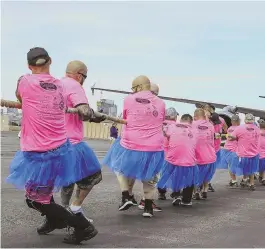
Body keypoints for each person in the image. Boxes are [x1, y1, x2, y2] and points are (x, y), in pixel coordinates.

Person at [6, 47, 97, 244]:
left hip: (40, 153)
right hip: (60, 150)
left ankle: (83, 227)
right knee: (40, 197)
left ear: (29, 65)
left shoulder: (24, 81)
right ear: (50, 61)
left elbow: (20, 97)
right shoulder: (60, 85)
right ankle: (55, 220)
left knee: (35, 200)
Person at [103, 75, 165, 218]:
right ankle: (148, 208)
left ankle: (126, 195)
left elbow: (126, 118)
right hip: (154, 146)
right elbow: (160, 120)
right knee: (149, 177)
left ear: (138, 87)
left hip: (132, 144)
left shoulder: (129, 99)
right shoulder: (161, 103)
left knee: (118, 166)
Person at [58, 60, 105, 226]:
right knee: (94, 176)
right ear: (79, 75)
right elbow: (85, 112)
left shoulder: (57, 84)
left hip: (55, 141)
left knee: (68, 178)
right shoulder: (74, 86)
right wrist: (96, 116)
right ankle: (75, 207)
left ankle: (63, 210)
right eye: (84, 77)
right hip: (72, 142)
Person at [157, 114, 197, 206]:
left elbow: (164, 134)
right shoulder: (194, 130)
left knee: (166, 175)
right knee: (189, 178)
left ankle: (172, 194)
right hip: (188, 159)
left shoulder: (172, 126)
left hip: (172, 157)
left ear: (181, 120)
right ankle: (186, 200)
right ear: (191, 122)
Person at [227, 113, 260, 190]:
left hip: (242, 153)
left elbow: (231, 138)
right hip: (254, 153)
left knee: (235, 166)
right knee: (251, 169)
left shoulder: (239, 128)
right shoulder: (256, 128)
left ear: (245, 120)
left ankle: (235, 180)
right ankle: (251, 183)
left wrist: (234, 138)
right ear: (253, 120)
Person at [202, 104, 227, 192]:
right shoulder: (220, 119)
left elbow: (225, 129)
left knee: (207, 167)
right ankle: (206, 184)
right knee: (209, 167)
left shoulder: (206, 120)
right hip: (213, 147)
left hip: (210, 147)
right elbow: (225, 129)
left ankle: (205, 184)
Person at [192, 108, 216, 199]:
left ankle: (196, 191)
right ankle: (205, 190)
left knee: (196, 174)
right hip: (210, 154)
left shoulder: (192, 124)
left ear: (196, 116)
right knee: (207, 174)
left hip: (197, 155)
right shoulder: (210, 125)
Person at [217, 114, 240, 187]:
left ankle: (234, 180)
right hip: (235, 149)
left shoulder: (230, 128)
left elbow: (228, 137)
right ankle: (237, 179)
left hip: (227, 148)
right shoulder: (240, 128)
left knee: (230, 165)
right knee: (236, 165)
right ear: (238, 121)